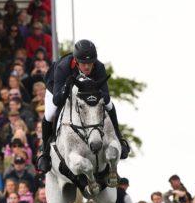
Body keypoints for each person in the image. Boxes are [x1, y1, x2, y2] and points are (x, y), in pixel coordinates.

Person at [36, 39, 130, 172]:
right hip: (55, 86)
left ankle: (120, 139)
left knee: (109, 104)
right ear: (76, 60)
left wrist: (96, 90)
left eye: (90, 63)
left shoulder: (99, 67)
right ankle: (45, 153)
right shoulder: (63, 67)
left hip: (85, 91)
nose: (87, 67)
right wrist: (67, 86)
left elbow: (106, 96)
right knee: (50, 113)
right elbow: (57, 100)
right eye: (83, 63)